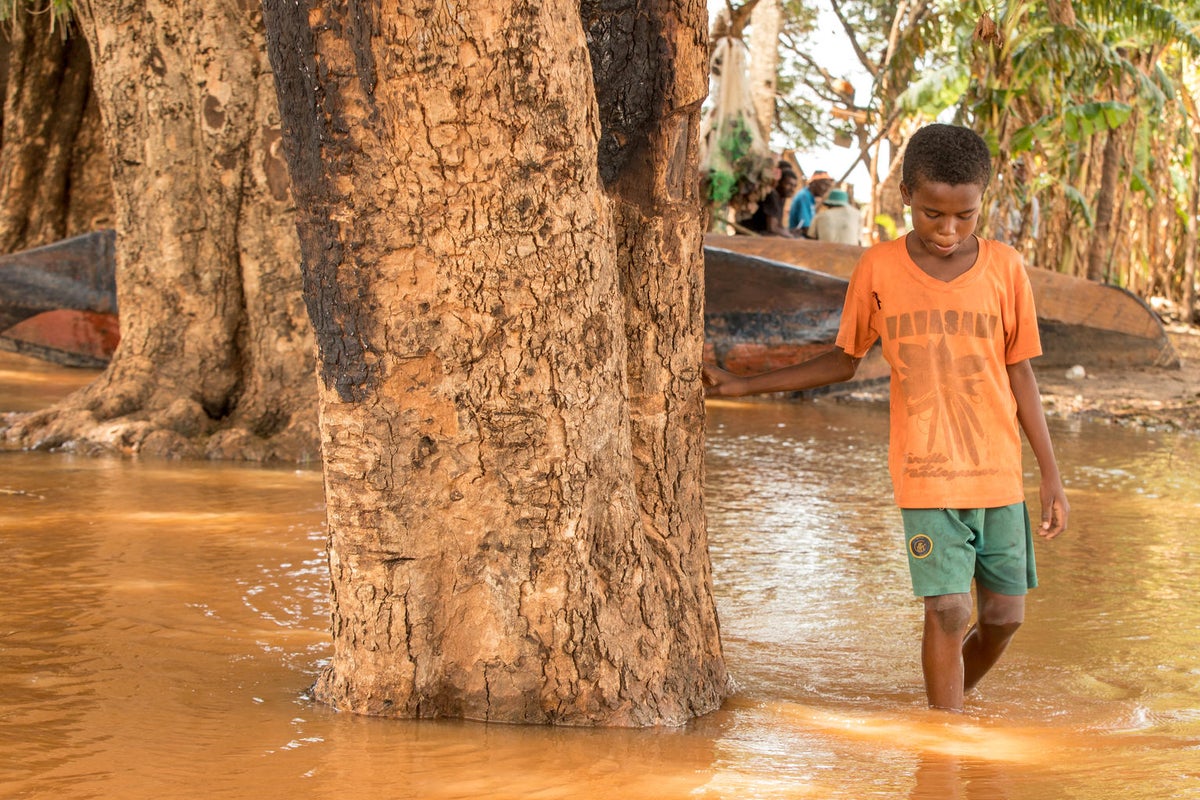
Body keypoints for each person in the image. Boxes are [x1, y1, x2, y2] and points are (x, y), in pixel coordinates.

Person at [703, 123, 1069, 713]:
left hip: (998, 471)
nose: (948, 230)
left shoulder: (1005, 269)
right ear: (905, 196)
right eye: (932, 215)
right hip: (924, 472)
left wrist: (1051, 476)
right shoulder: (878, 269)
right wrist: (744, 384)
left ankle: (945, 697)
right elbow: (843, 360)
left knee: (1003, 618)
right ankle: (942, 740)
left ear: (983, 203)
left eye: (965, 216)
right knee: (948, 610)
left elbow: (1021, 374)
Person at [742, 162, 799, 237]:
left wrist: (789, 231)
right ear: (779, 182)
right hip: (751, 235)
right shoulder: (772, 195)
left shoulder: (781, 199)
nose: (792, 189)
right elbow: (772, 228)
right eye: (789, 184)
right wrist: (790, 236)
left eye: (794, 186)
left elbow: (778, 225)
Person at [788, 170, 832, 237]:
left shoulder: (809, 198)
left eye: (828, 186)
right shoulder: (804, 197)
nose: (826, 189)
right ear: (813, 183)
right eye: (824, 184)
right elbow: (806, 229)